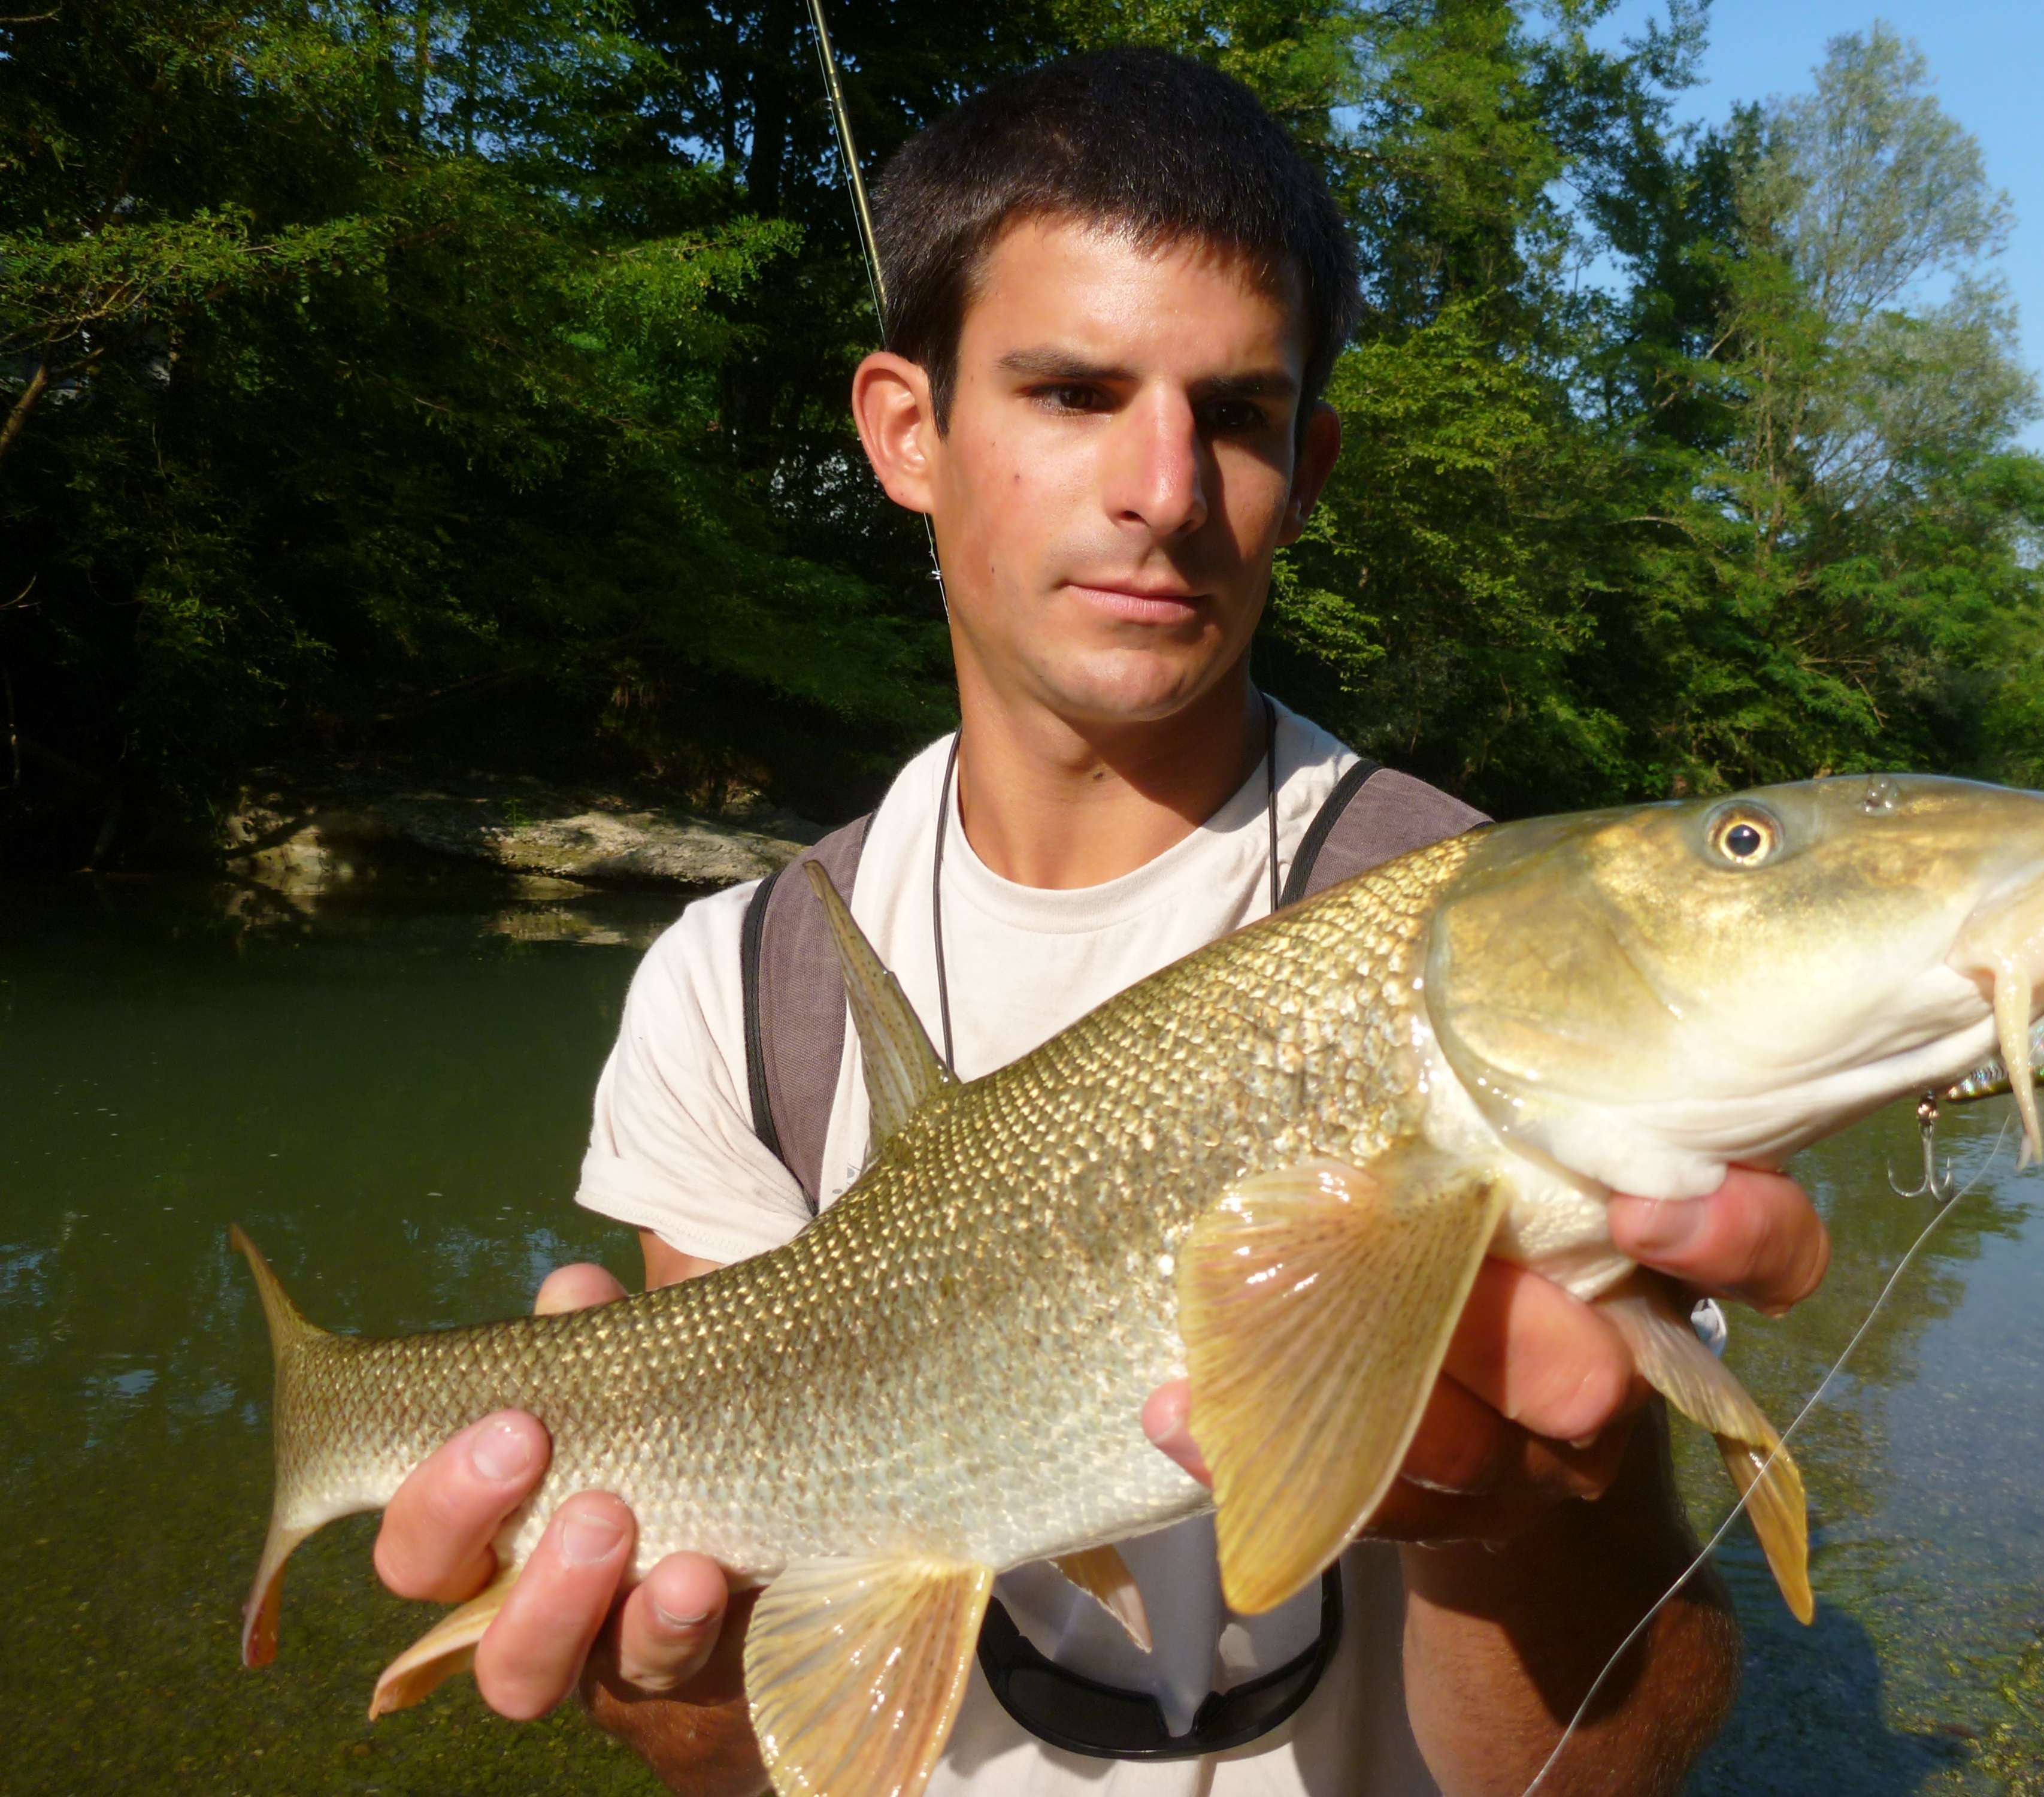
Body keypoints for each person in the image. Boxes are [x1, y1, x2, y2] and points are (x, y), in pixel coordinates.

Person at [370, 48, 1830, 1797]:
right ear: (906, 430)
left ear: (1310, 460)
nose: (1163, 487)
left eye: (1234, 415)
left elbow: (1610, 1769)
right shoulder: (741, 991)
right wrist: (669, 1689)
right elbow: (764, 1736)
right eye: (1072, 392)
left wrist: (1523, 1524)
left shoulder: (1505, 953)